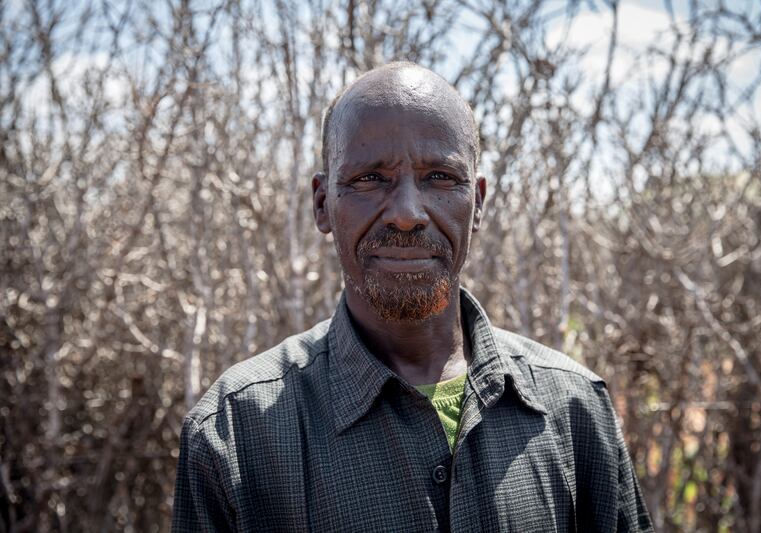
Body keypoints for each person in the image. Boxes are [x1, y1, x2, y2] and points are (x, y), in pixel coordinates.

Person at [171, 62, 653, 532]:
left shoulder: (575, 407)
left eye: (439, 177)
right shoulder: (235, 434)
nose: (406, 213)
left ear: (477, 204)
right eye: (370, 178)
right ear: (322, 204)